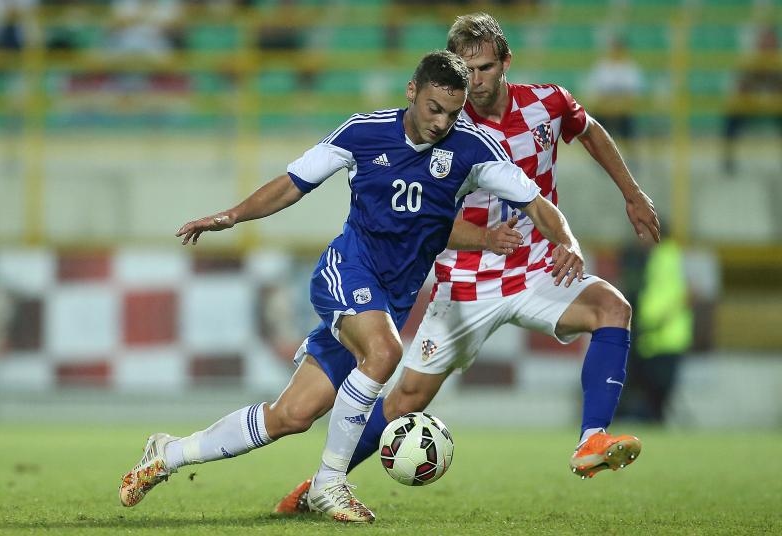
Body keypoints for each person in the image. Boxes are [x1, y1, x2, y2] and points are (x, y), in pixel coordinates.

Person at [118, 49, 586, 524]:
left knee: (292, 416)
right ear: (412, 92)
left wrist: (566, 241)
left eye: (452, 112)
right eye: (433, 108)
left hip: (393, 298)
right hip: (348, 270)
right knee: (385, 353)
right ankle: (329, 484)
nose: (442, 122)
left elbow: (535, 202)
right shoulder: (363, 131)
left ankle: (167, 453)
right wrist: (232, 216)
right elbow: (292, 183)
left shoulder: (473, 149)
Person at [275, 12, 659, 515]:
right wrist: (480, 238)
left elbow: (590, 131)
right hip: (464, 284)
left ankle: (591, 438)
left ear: (506, 63)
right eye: (467, 70)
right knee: (405, 398)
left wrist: (632, 193)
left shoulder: (548, 103)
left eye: (484, 68)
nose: (475, 82)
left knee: (613, 307)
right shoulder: (446, 124)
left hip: (537, 269)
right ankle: (323, 483)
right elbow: (415, 219)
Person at [618, 230, 692, 423]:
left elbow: (671, 296)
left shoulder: (664, 258)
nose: (640, 238)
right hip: (654, 338)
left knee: (657, 392)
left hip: (664, 336)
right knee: (651, 393)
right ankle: (654, 422)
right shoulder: (658, 257)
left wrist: (651, 322)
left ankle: (655, 422)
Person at [722, 25, 782, 175]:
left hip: (775, 106)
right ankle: (728, 160)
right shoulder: (750, 63)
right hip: (751, 105)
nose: (766, 46)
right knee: (732, 117)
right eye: (763, 42)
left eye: (769, 42)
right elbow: (739, 90)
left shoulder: (779, 63)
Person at [584, 36, 644, 162]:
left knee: (628, 133)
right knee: (590, 129)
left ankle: (630, 160)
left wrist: (615, 103)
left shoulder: (630, 68)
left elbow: (632, 96)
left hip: (623, 112)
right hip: (604, 111)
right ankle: (599, 159)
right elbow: (596, 93)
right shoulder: (602, 67)